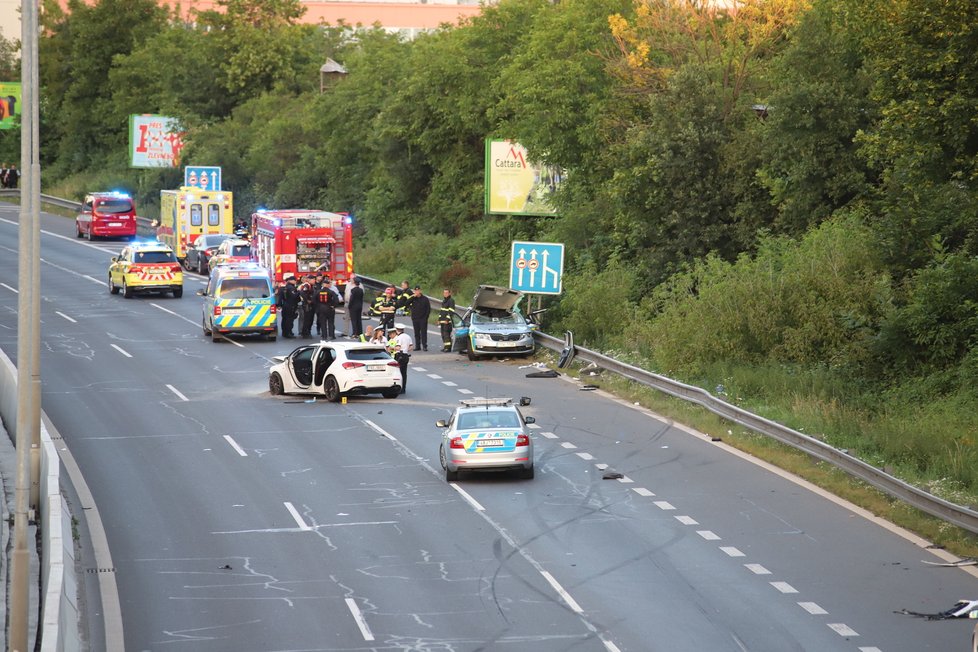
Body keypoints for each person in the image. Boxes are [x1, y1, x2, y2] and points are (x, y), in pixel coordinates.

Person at [390, 324, 414, 394]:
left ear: (397, 330)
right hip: (406, 356)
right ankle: (403, 388)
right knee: (404, 373)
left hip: (399, 355)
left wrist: (392, 348)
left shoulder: (399, 338)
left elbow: (398, 347)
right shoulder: (408, 336)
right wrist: (405, 349)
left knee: (398, 373)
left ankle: (398, 388)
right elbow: (411, 347)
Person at [407, 286, 431, 351]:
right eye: (415, 291)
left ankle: (424, 346)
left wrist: (426, 317)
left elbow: (428, 309)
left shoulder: (425, 299)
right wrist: (413, 296)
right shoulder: (413, 298)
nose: (417, 292)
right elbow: (407, 303)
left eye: (418, 290)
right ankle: (418, 346)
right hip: (415, 318)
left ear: (420, 291)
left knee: (423, 333)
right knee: (416, 333)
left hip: (423, 318)